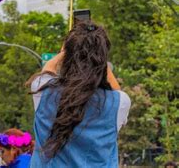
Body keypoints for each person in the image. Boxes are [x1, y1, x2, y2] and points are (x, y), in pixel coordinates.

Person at [29, 21, 131, 167]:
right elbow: (116, 90)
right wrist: (98, 59)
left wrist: (64, 52)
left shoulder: (43, 91)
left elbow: (48, 69)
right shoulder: (119, 103)